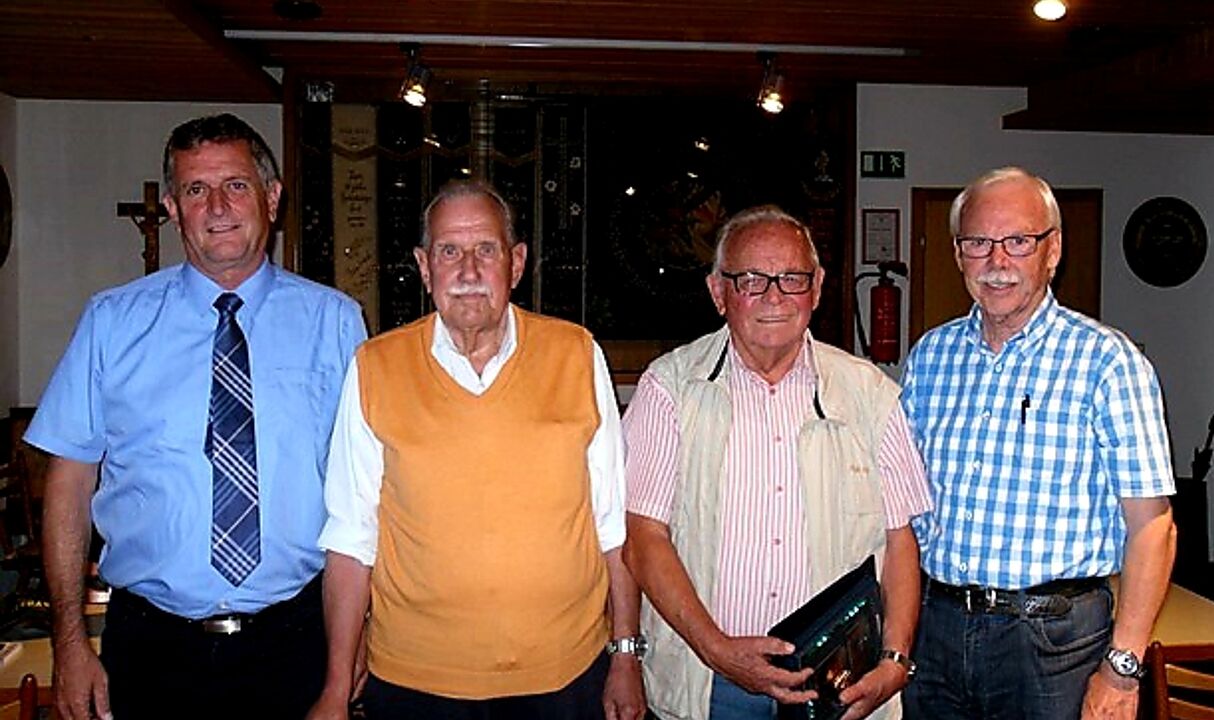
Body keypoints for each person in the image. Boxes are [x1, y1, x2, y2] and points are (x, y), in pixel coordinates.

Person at [25, 113, 367, 720]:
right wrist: (70, 641)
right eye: (195, 190)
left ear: (272, 196)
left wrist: (358, 637)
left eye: (235, 184)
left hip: (296, 644)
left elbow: (364, 497)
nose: (217, 206)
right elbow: (68, 485)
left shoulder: (336, 324)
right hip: (151, 649)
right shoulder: (112, 323)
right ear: (175, 211)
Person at [307, 180, 646, 720]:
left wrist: (625, 655)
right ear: (424, 266)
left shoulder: (576, 355)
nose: (467, 272)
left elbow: (614, 528)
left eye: (485, 250)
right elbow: (351, 539)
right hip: (415, 681)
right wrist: (334, 687)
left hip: (565, 677)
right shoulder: (376, 368)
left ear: (516, 263)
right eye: (449, 251)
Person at [623, 205, 932, 720]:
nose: (774, 296)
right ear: (718, 292)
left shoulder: (871, 395)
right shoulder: (669, 388)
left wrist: (896, 661)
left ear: (817, 287)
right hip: (711, 686)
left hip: (837, 684)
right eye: (751, 280)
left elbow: (900, 540)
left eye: (792, 278)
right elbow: (642, 536)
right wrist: (716, 648)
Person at [899, 167, 1178, 720]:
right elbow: (902, 507)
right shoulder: (931, 356)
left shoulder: (1108, 362)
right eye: (977, 242)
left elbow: (1154, 527)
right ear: (958, 254)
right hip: (938, 629)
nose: (996, 262)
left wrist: (1122, 669)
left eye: (1018, 242)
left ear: (1052, 251)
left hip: (1054, 644)